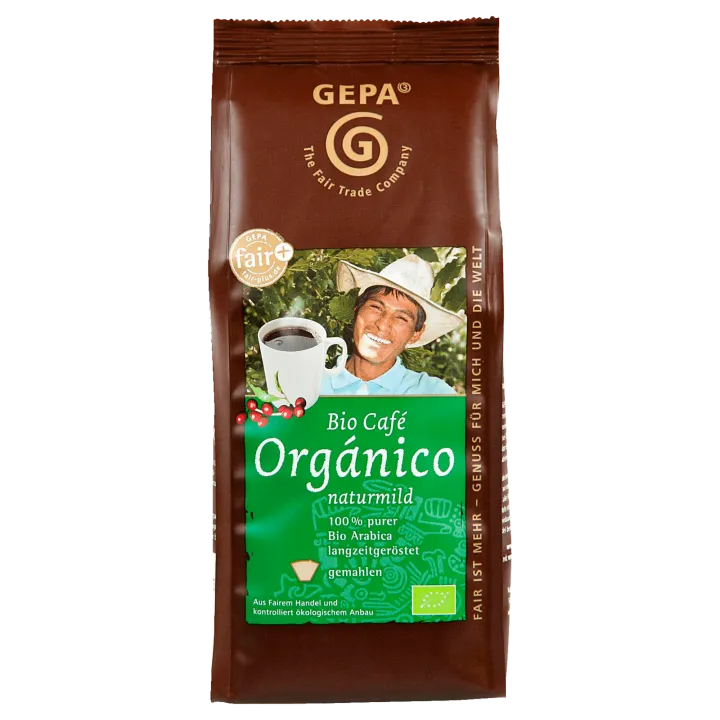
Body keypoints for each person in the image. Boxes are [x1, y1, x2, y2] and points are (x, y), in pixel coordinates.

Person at [320, 253, 467, 396]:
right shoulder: (313, 382)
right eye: (376, 307)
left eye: (401, 318)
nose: (383, 325)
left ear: (416, 334)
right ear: (357, 310)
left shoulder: (432, 395)